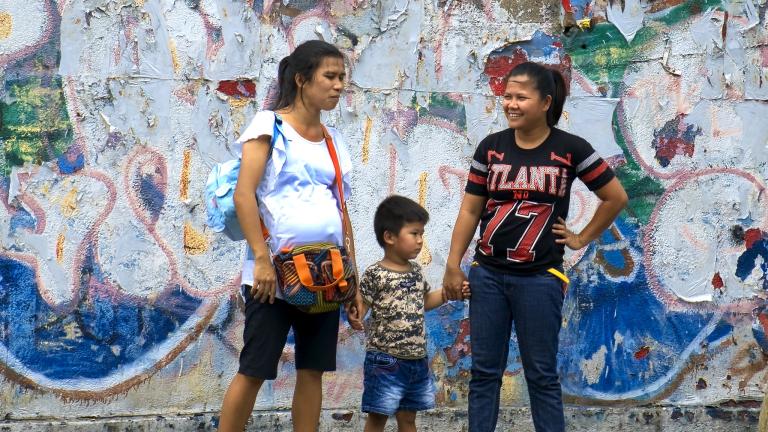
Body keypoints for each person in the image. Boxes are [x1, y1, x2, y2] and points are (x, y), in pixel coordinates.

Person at [441, 62, 628, 432]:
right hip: (488, 276)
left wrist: (581, 237)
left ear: (545, 102)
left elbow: (615, 197)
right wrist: (452, 264)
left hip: (540, 279)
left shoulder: (570, 149)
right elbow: (470, 208)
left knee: (541, 375)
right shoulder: (491, 148)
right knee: (483, 374)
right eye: (507, 96)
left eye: (521, 97)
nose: (511, 103)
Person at [217, 40, 364, 432]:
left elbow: (342, 214)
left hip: (325, 275)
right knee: (254, 369)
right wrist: (261, 259)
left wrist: (353, 281)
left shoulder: (333, 141)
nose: (338, 86)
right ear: (301, 79)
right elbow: (244, 193)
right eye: (329, 77)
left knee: (313, 370)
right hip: (273, 276)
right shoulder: (269, 126)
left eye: (342, 78)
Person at [352, 195, 470, 432]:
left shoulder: (416, 271)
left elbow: (424, 301)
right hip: (385, 361)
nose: (420, 241)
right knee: (378, 418)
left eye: (421, 234)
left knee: (408, 420)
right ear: (390, 237)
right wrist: (356, 314)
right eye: (414, 233)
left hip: (415, 360)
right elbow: (362, 305)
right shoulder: (375, 273)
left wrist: (451, 293)